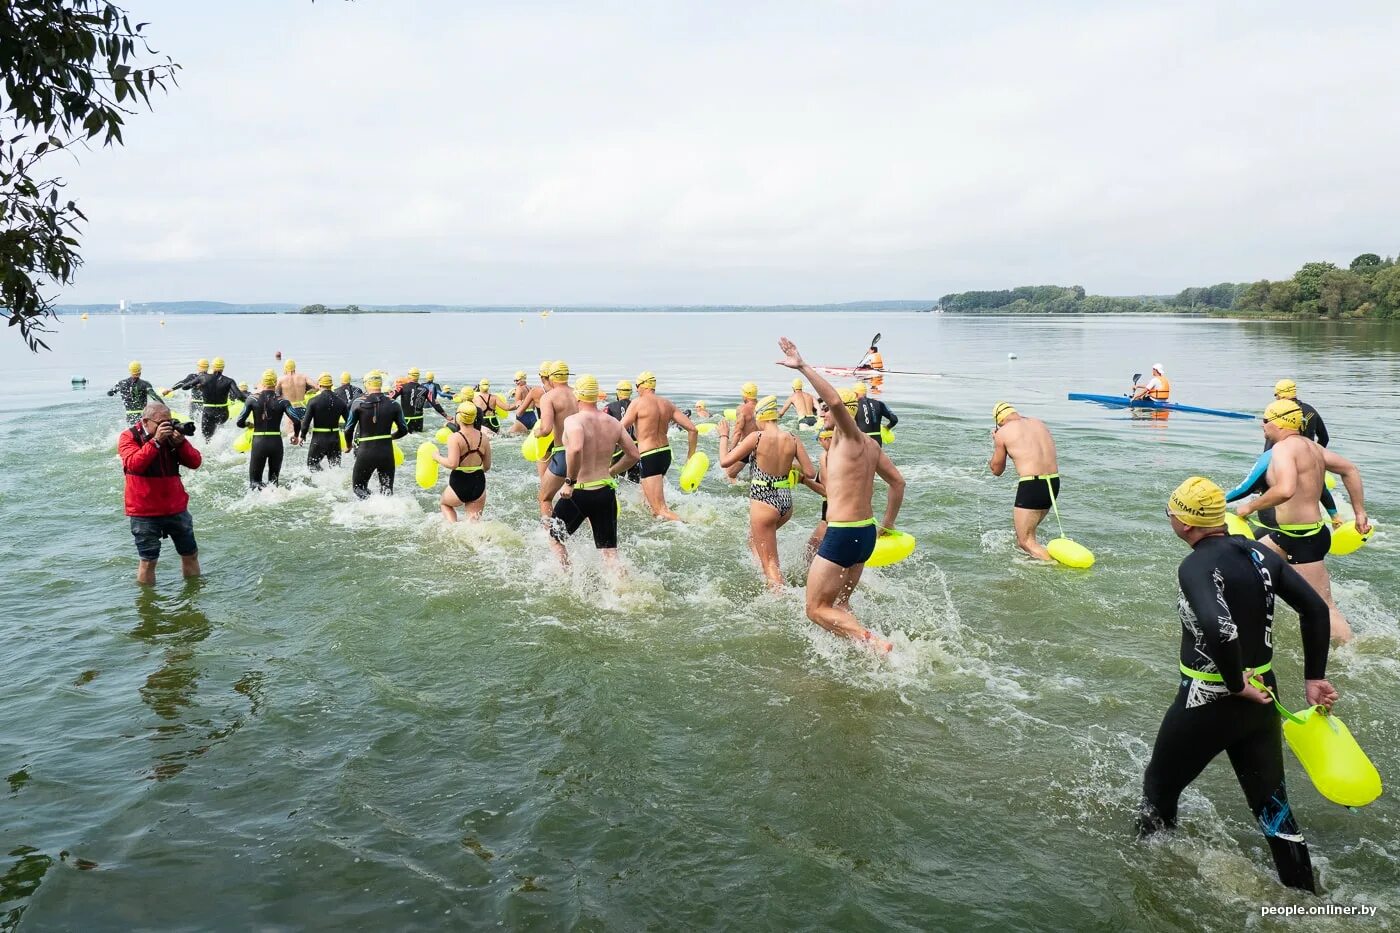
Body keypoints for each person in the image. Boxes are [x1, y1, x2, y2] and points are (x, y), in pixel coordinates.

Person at [1138, 476, 1337, 894]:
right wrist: (1314, 678)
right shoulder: (1261, 554)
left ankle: (1150, 877)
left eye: (1171, 513)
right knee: (1273, 806)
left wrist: (1233, 682)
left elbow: (1218, 627)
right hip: (1263, 695)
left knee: (1159, 789)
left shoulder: (1196, 564)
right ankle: (1305, 898)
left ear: (1188, 525)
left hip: (1210, 697)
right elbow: (1315, 610)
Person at [777, 337, 905, 652]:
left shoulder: (850, 438)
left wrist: (803, 365)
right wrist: (886, 525)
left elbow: (834, 400)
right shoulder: (870, 446)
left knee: (815, 608)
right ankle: (862, 653)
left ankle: (872, 643)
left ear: (844, 415)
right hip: (865, 533)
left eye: (824, 410)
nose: (821, 412)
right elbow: (898, 483)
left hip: (844, 534)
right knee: (840, 605)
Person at [1233, 400, 1368, 642]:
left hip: (1303, 537)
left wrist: (1249, 506)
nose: (1262, 426)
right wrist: (1359, 512)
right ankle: (1248, 625)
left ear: (1278, 423)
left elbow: (1285, 489)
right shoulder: (1313, 447)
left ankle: (1353, 652)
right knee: (1243, 564)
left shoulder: (1283, 450)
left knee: (1324, 605)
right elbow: (1350, 469)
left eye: (1265, 421)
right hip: (1288, 535)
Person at [718, 395, 814, 589]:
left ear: (761, 416)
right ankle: (765, 576)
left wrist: (723, 436)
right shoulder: (793, 438)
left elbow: (725, 462)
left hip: (764, 501)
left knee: (771, 563)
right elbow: (810, 472)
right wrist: (786, 464)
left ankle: (779, 597)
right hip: (785, 502)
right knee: (753, 540)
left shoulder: (757, 437)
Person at [548, 375, 640, 567]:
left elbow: (575, 448)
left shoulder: (574, 421)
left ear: (577, 395)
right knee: (609, 552)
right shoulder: (613, 422)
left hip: (578, 492)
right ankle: (621, 590)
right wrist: (612, 471)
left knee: (555, 538)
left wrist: (569, 482)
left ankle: (565, 579)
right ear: (596, 396)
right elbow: (633, 455)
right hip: (605, 492)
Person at [119, 400, 202, 585]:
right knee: (148, 562)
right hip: (144, 511)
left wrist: (181, 444)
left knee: (191, 555)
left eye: (169, 421)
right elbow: (134, 464)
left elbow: (195, 462)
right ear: (146, 421)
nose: (166, 426)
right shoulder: (128, 437)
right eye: (161, 423)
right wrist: (156, 441)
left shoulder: (173, 437)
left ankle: (193, 600)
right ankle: (148, 606)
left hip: (176, 508)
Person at [620, 371, 698, 521]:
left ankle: (689, 525)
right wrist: (690, 457)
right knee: (646, 500)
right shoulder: (667, 404)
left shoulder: (637, 403)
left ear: (642, 386)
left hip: (649, 456)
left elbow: (620, 428)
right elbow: (693, 429)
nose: (636, 390)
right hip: (665, 454)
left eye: (637, 386)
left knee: (660, 510)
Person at [987, 402, 1059, 561]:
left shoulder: (1003, 432)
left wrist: (997, 441)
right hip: (1053, 482)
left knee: (1025, 542)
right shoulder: (1038, 423)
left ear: (999, 421)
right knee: (1029, 535)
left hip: (1032, 485)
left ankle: (1056, 568)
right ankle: (1034, 566)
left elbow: (996, 470)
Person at [343, 373, 409, 498]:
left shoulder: (358, 403)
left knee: (359, 488)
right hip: (386, 452)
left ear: (367, 384)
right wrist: (390, 437)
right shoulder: (394, 403)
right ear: (380, 384)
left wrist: (348, 445)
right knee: (387, 491)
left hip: (366, 452)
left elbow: (348, 429)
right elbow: (404, 430)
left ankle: (370, 505)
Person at [236, 370, 300, 490]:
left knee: (255, 483)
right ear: (275, 383)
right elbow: (296, 420)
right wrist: (296, 436)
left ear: (262, 382)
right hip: (276, 442)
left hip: (259, 442)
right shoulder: (283, 401)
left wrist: (248, 424)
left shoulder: (252, 399)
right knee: (273, 484)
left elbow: (239, 422)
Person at [535, 359, 579, 519]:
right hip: (584, 454)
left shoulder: (549, 397)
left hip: (563, 454)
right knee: (584, 501)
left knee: (544, 498)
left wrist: (537, 433)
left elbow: (546, 430)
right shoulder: (579, 395)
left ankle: (550, 535)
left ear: (551, 378)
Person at [433, 402, 491, 522]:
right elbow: (487, 466)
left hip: (460, 481)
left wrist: (437, 457)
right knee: (473, 522)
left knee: (445, 504)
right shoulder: (484, 438)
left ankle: (453, 530)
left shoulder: (455, 437)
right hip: (478, 482)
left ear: (458, 417)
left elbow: (452, 464)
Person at [301, 372, 350, 471]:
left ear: (319, 385)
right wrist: (349, 442)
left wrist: (302, 436)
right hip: (335, 441)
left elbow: (305, 423)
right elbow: (349, 423)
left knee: (312, 467)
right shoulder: (341, 402)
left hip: (318, 440)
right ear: (331, 385)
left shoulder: (313, 401)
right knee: (336, 470)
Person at [800, 427, 834, 565]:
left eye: (820, 440)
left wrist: (803, 480)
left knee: (809, 556)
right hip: (849, 517)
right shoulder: (849, 455)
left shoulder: (827, 457)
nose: (820, 443)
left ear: (826, 439)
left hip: (831, 517)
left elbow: (827, 492)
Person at [194, 357, 244, 440]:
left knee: (206, 437)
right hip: (223, 413)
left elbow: (185, 387)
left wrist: (197, 385)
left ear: (212, 367)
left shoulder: (203, 378)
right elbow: (240, 396)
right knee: (219, 431)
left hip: (208, 413)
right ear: (223, 368)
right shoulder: (229, 380)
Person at [392, 367, 448, 434]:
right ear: (418, 376)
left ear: (408, 376)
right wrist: (446, 416)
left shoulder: (401, 387)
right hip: (419, 420)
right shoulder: (425, 389)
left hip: (406, 420)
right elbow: (435, 403)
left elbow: (389, 399)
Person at [606, 379, 641, 483]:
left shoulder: (609, 407)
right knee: (634, 481)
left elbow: (603, 428)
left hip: (618, 448)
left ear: (618, 392)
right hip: (635, 447)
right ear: (630, 393)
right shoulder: (638, 406)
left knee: (614, 479)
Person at [724, 382, 760, 481]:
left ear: (745, 394)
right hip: (761, 447)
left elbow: (737, 432)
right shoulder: (762, 407)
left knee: (729, 474)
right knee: (756, 478)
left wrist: (731, 451)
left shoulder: (742, 409)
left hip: (747, 447)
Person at [108, 360, 158, 425]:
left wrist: (112, 392)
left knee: (133, 432)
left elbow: (110, 393)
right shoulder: (145, 384)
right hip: (143, 415)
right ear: (140, 370)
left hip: (129, 416)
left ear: (130, 371)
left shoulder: (121, 383)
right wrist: (165, 407)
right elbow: (155, 397)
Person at [276, 359, 316, 434]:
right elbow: (316, 387)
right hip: (302, 407)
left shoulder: (281, 379)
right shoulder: (303, 377)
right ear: (294, 368)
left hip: (290, 409)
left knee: (290, 434)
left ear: (285, 368)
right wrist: (308, 391)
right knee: (303, 434)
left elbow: (273, 393)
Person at [169, 358, 209, 423]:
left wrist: (170, 390)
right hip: (207, 405)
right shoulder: (211, 378)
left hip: (194, 404)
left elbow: (182, 383)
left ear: (198, 367)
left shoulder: (193, 376)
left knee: (193, 422)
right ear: (207, 368)